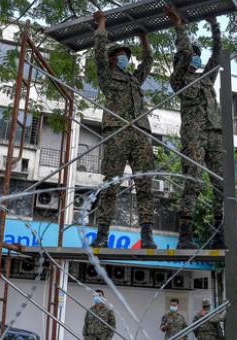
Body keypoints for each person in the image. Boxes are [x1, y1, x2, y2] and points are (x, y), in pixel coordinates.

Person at [90, 10, 157, 249]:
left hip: (139, 133)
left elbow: (148, 61)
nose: (125, 59)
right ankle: (102, 233)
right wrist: (102, 23)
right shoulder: (107, 77)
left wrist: (144, 39)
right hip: (117, 131)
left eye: (126, 56)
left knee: (145, 184)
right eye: (120, 55)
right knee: (111, 183)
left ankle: (147, 234)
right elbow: (98, 51)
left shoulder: (133, 80)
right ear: (111, 59)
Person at [165, 5, 225, 249]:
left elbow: (218, 54)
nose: (195, 57)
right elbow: (186, 49)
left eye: (196, 55)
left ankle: (220, 233)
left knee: (221, 184)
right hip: (194, 137)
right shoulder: (178, 79)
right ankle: (185, 236)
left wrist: (215, 26)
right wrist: (179, 25)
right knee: (193, 182)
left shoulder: (207, 78)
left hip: (216, 135)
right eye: (191, 55)